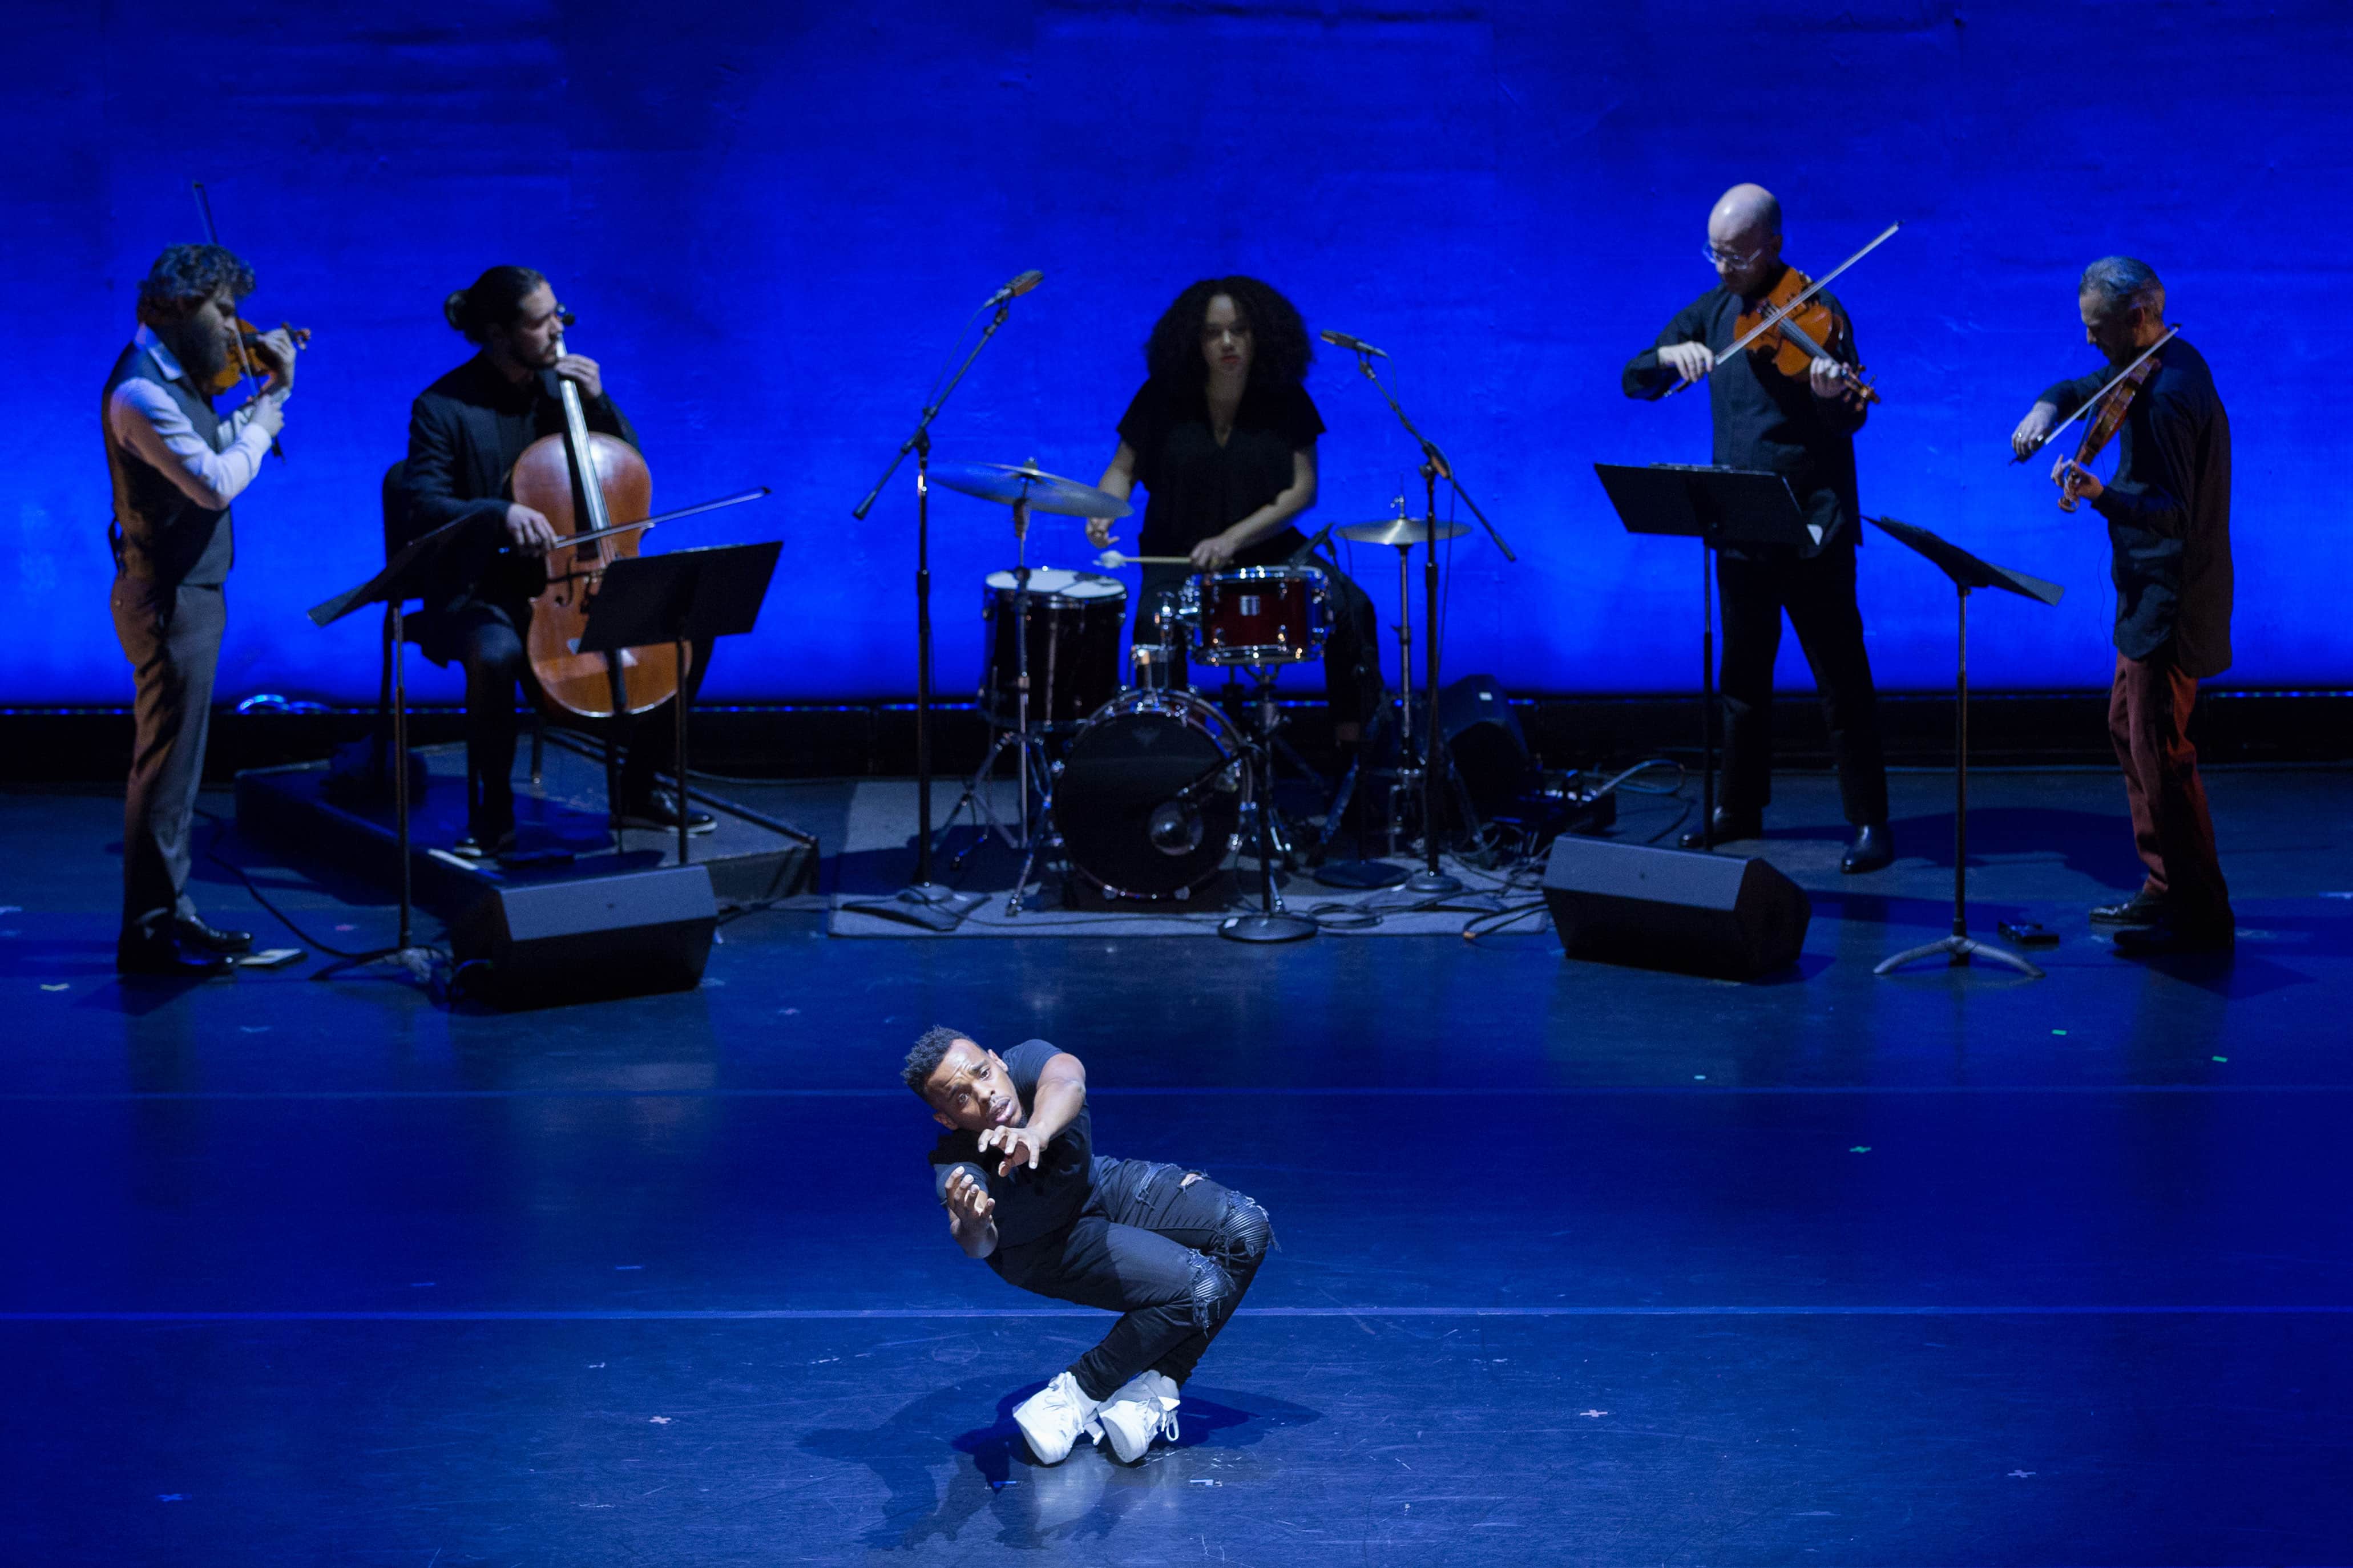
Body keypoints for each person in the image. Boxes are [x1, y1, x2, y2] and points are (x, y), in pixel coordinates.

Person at [1621, 183, 1894, 874]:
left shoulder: (1821, 311)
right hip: (1741, 523)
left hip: (1812, 525)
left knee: (1841, 680)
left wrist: (1832, 397)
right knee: (1741, 679)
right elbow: (1635, 377)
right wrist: (1665, 360)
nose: (1723, 269)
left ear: (1773, 244)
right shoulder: (1713, 311)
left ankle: (1869, 822)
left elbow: (1848, 418)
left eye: (1737, 257)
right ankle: (1736, 808)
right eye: (1715, 254)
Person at [399, 266, 713, 858]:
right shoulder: (443, 406)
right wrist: (499, 513)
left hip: (578, 579)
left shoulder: (563, 393)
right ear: (497, 332)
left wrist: (599, 404)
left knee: (690, 622)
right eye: (540, 321)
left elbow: (627, 468)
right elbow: (422, 502)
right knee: (496, 655)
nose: (557, 329)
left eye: (558, 313)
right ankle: (492, 812)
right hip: (484, 586)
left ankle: (639, 791)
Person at [905, 1026, 1273, 1466]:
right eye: (960, 1097)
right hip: (1044, 1250)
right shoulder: (957, 1163)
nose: (984, 1094)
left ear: (996, 1059)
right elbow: (976, 1245)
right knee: (1201, 1285)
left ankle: (1153, 1390)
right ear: (946, 1118)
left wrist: (1036, 1133)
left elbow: (1067, 1081)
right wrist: (974, 1223)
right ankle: (1076, 1393)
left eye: (983, 1073)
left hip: (1098, 1188)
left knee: (1245, 1226)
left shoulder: (1031, 1062)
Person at [2011, 258, 2234, 955]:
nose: (2088, 342)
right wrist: (2048, 406)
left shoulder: (2169, 394)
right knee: (2126, 729)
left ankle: (2198, 916)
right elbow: (2082, 384)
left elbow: (2172, 514)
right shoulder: (2151, 358)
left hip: (2171, 600)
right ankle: (2164, 886)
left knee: (2163, 754)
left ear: (2137, 317)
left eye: (2096, 328)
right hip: (2145, 594)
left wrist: (2101, 493)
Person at [104, 243, 297, 975]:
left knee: (179, 771)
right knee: (166, 770)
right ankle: (150, 933)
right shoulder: (141, 393)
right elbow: (215, 482)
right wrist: (270, 411)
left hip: (190, 592)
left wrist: (254, 401)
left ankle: (171, 914)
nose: (234, 327)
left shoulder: (174, 380)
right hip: (170, 599)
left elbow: (210, 443)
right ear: (180, 308)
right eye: (223, 311)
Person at [1089, 277, 1382, 750]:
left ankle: (1355, 752)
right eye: (1212, 333)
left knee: (1351, 607)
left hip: (1267, 546)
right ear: (1193, 341)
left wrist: (1233, 539)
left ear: (1260, 334)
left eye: (1239, 330)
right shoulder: (1160, 396)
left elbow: (1302, 490)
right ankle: (1174, 755)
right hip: (1176, 551)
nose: (1227, 343)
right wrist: (1103, 511)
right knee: (1153, 627)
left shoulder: (1286, 397)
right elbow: (1121, 470)